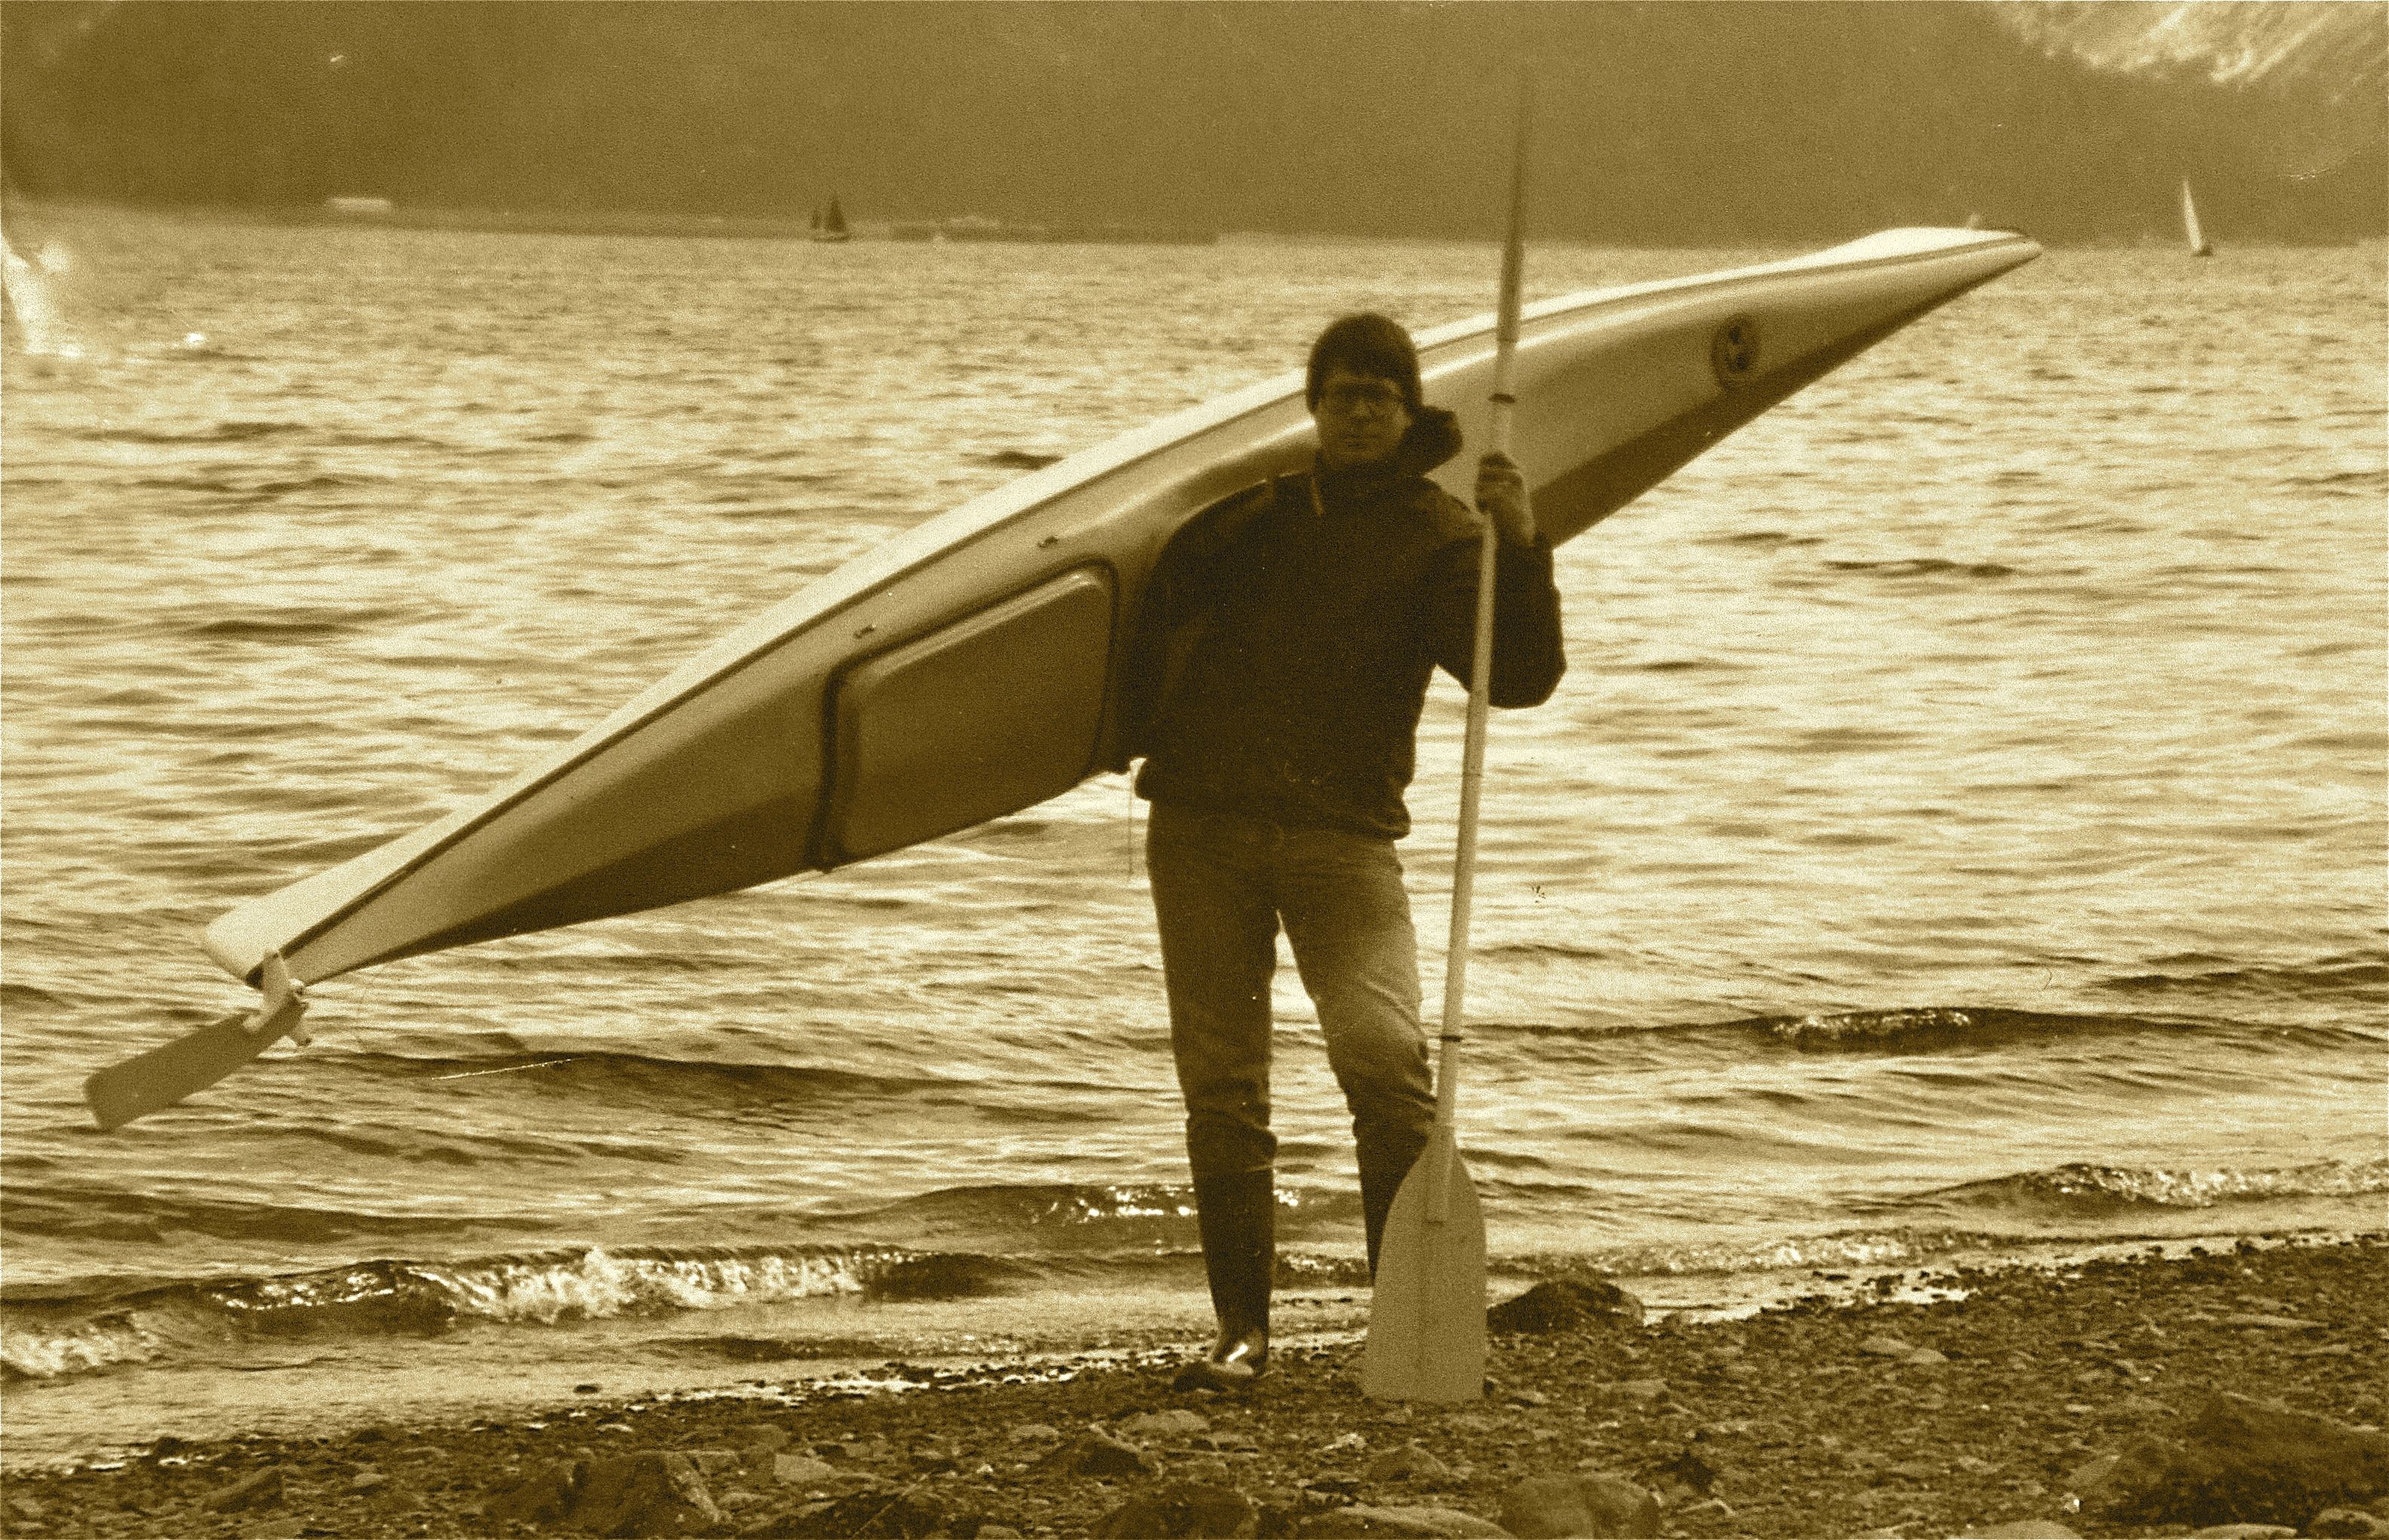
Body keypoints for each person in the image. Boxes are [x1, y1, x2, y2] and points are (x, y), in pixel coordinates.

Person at [1113, 311, 1567, 1391]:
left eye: (1381, 395)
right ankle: (1242, 1335)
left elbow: (1519, 679)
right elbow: (1144, 637)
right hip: (1203, 829)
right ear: (1313, 407)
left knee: (1386, 1065)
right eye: (1343, 393)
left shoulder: (1444, 537)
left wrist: (1525, 546)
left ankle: (1403, 1319)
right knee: (1223, 1084)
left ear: (1409, 412)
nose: (1361, 412)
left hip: (1344, 838)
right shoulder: (1250, 522)